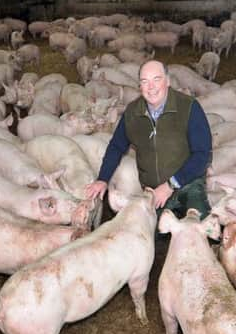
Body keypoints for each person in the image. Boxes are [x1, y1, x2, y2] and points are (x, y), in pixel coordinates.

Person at [85, 60, 212, 218]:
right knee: (145, 237)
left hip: (188, 185)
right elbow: (116, 147)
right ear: (140, 86)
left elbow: (202, 154)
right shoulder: (133, 113)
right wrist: (103, 179)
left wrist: (170, 185)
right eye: (145, 81)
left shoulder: (189, 108)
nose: (150, 87)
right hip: (153, 191)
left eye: (156, 80)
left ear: (168, 81)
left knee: (200, 228)